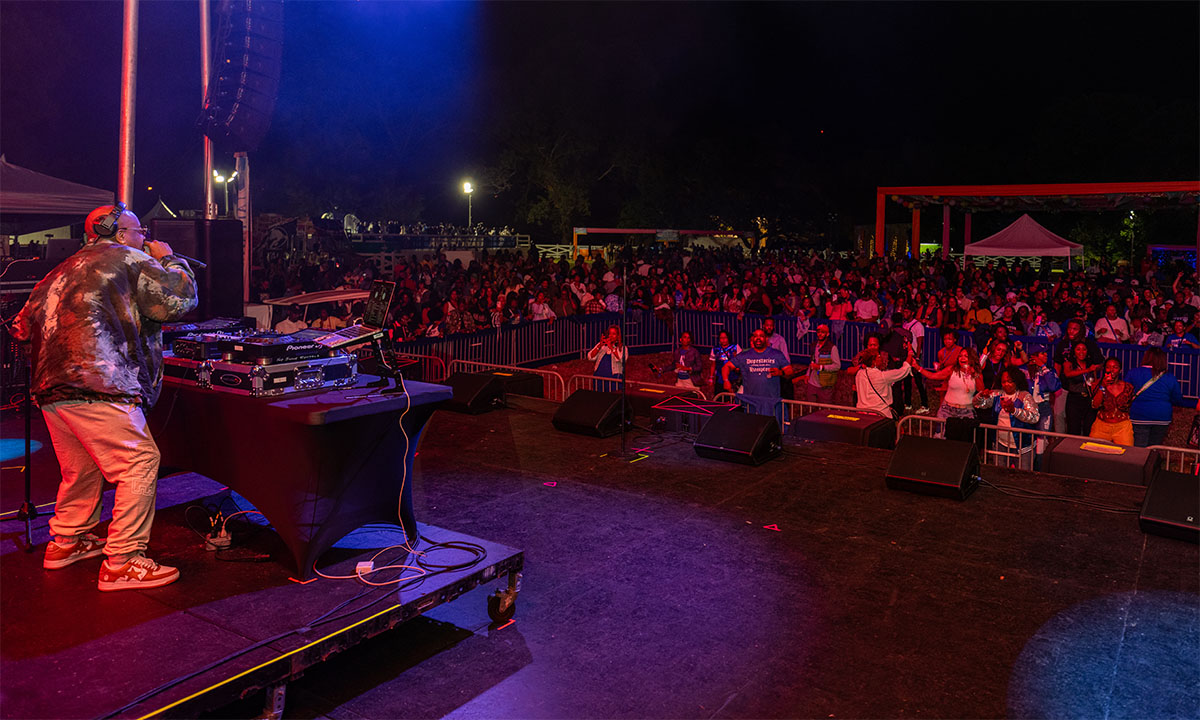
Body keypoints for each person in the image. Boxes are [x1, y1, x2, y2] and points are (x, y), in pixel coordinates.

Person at [11, 204, 197, 591]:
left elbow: (21, 327)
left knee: (83, 467)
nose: (144, 236)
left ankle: (67, 541)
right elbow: (177, 301)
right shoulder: (130, 257)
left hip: (52, 387)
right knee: (139, 461)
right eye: (138, 230)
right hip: (101, 379)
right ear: (118, 233)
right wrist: (170, 259)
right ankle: (124, 561)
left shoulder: (57, 271)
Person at [1126, 347, 1200, 447]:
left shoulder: (1133, 373)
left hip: (1139, 415)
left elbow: (1125, 392)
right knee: (1154, 447)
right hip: (1162, 417)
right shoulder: (1169, 377)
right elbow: (1177, 398)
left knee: (1139, 447)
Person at [722, 329, 793, 420]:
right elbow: (726, 367)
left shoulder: (776, 354)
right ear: (752, 339)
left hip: (770, 402)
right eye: (755, 336)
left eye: (761, 336)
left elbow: (789, 370)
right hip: (751, 401)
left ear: (766, 339)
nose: (758, 338)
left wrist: (780, 372)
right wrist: (726, 381)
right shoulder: (744, 355)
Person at [975, 368, 1040, 467]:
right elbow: (979, 404)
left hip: (1023, 446)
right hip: (1000, 444)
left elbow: (1035, 417)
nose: (1006, 384)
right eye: (1003, 382)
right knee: (999, 474)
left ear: (1017, 381)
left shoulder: (1024, 396)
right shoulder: (997, 394)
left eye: (1009, 381)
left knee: (1023, 477)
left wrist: (1014, 410)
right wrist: (981, 395)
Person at [920, 346, 983, 431]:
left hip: (966, 412)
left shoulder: (976, 374)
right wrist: (918, 368)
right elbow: (933, 376)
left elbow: (981, 390)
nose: (962, 358)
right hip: (947, 410)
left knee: (962, 441)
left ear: (972, 358)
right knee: (941, 438)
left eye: (966, 356)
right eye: (960, 356)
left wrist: (975, 373)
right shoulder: (952, 369)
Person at [1023, 345, 1062, 468]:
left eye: (1046, 354)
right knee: (1026, 439)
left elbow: (1053, 387)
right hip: (1027, 407)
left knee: (1041, 440)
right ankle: (1026, 467)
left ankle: (1039, 469)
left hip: (1043, 408)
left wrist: (1043, 367)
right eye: (1042, 354)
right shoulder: (1024, 371)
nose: (1045, 356)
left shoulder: (1049, 371)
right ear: (1033, 357)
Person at [853, 347, 914, 418]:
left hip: (862, 414)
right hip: (880, 414)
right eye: (879, 356)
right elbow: (903, 371)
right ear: (874, 361)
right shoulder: (882, 376)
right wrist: (910, 354)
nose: (881, 358)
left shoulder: (859, 374)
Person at [1088, 357, 1134, 446]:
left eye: (1115, 367)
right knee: (1095, 453)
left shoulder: (1128, 387)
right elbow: (1095, 405)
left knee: (1125, 454)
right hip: (1101, 426)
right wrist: (1103, 387)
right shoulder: (1097, 384)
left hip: (1122, 427)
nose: (1111, 370)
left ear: (1120, 370)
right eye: (1108, 367)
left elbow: (1129, 406)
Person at [1061, 340, 1102, 436]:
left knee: (1089, 428)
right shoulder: (1069, 363)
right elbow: (1068, 374)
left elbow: (1095, 380)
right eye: (1078, 349)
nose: (1081, 352)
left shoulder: (1090, 364)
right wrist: (1087, 370)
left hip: (1088, 399)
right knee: (1074, 428)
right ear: (1074, 351)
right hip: (1074, 399)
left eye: (1084, 349)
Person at [801, 322, 841, 404]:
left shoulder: (832, 348)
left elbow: (837, 366)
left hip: (825, 383)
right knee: (810, 408)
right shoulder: (813, 345)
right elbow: (812, 361)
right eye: (818, 332)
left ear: (827, 334)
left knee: (824, 410)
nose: (820, 334)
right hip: (812, 382)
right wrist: (807, 374)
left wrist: (821, 367)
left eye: (823, 332)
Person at [762, 318, 793, 400]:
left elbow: (786, 360)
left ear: (774, 327)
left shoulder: (780, 340)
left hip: (776, 376)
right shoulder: (759, 339)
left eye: (771, 326)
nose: (769, 327)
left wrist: (781, 371)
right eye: (767, 325)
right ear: (763, 326)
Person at [708, 330, 742, 396]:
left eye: (725, 338)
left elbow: (740, 361)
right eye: (721, 338)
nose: (723, 340)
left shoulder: (735, 347)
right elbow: (713, 365)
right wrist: (711, 377)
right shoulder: (715, 349)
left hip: (733, 377)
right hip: (720, 377)